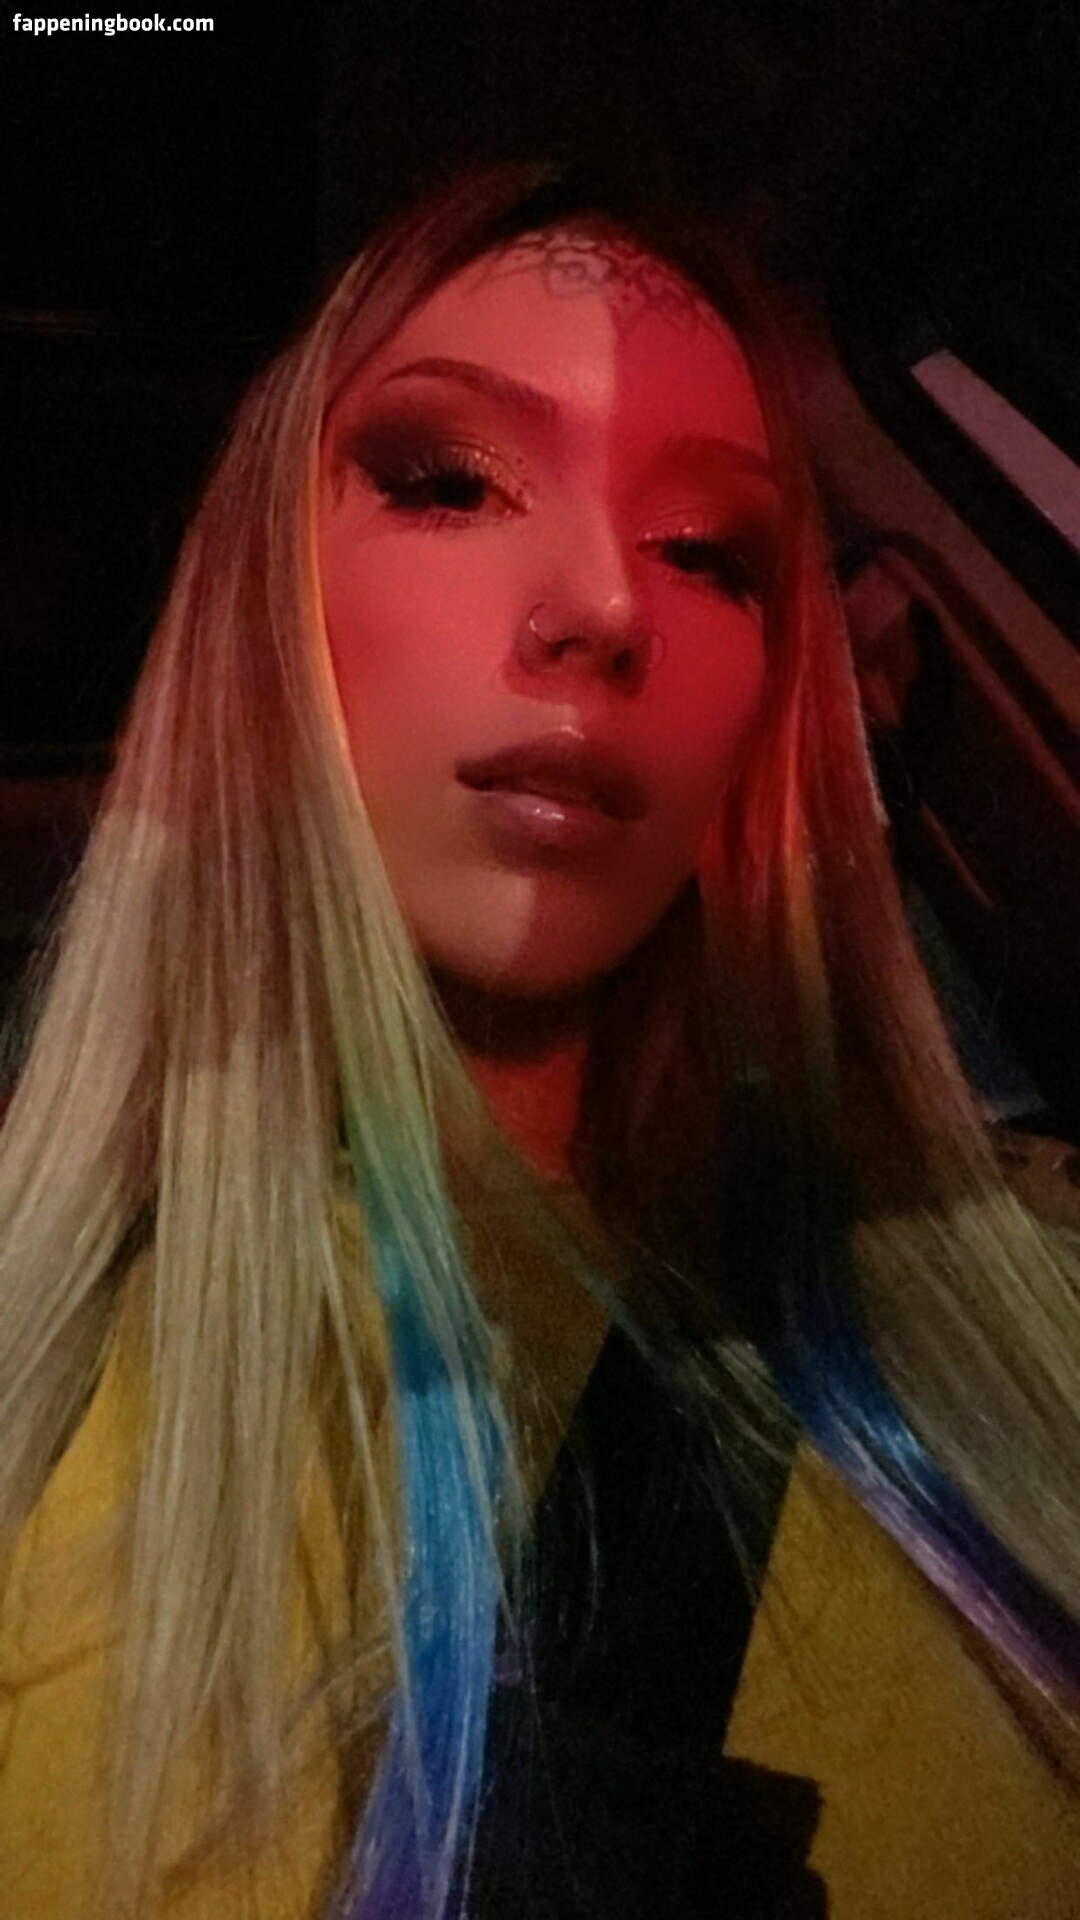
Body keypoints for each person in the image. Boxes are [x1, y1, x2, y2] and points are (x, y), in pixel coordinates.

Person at [0, 156, 1077, 1919]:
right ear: (259, 605)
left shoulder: (1011, 1308)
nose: (609, 606)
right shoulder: (44, 1381)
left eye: (708, 552)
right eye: (447, 480)